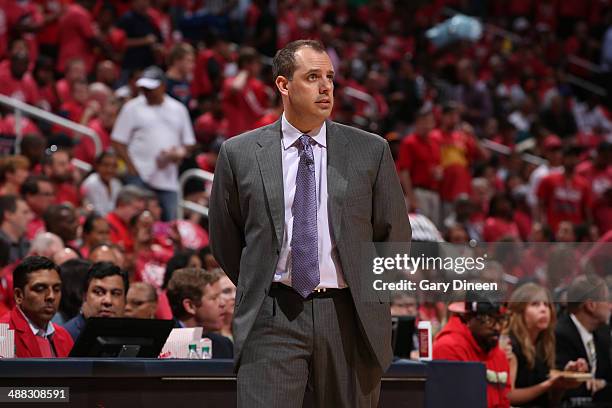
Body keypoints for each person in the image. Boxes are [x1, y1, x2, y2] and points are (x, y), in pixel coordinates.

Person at [209, 39, 411, 407]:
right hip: (271, 313)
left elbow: (394, 233)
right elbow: (225, 236)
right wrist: (258, 281)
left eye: (330, 78)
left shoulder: (371, 149)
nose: (326, 87)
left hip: (350, 314)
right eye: (313, 77)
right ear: (283, 85)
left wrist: (374, 296)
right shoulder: (238, 153)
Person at [111, 66, 196, 220]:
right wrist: (132, 167)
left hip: (168, 179)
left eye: (151, 88)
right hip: (139, 176)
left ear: (163, 86)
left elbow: (189, 143)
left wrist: (178, 153)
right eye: (144, 88)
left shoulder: (178, 109)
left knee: (169, 223)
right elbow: (118, 140)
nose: (146, 92)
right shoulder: (132, 107)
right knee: (133, 220)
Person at [505, 283, 587, 407]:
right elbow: (508, 397)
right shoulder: (509, 345)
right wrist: (548, 384)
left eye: (546, 305)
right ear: (520, 311)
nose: (543, 310)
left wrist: (565, 380)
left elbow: (551, 402)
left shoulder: (544, 344)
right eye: (535, 304)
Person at [433, 295, 511, 408]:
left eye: (501, 319)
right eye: (489, 320)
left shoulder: (499, 354)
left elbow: (504, 402)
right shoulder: (448, 347)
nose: (497, 328)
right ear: (468, 317)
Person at [0, 256, 73, 357]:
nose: (51, 296)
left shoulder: (64, 335)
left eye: (56, 289)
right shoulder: (3, 333)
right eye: (40, 288)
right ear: (18, 295)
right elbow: (6, 373)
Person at [556, 274, 612, 405]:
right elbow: (562, 387)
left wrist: (603, 384)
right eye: (607, 301)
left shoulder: (603, 334)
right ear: (591, 305)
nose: (610, 306)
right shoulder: (559, 335)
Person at [166, 268, 233, 359]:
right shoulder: (162, 344)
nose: (222, 303)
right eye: (214, 298)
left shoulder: (224, 345)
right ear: (190, 306)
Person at [63, 262, 128, 341]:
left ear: (125, 300)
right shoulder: (65, 336)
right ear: (84, 296)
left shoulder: (133, 336)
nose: (107, 301)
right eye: (99, 292)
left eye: (116, 293)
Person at [80, 151, 122, 216]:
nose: (109, 170)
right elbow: (98, 212)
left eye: (114, 166)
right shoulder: (91, 183)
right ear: (97, 166)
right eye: (106, 165)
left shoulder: (117, 183)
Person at [0, 195, 34, 264]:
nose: (31, 217)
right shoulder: (1, 245)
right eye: (25, 212)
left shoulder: (27, 244)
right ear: (8, 215)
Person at [21, 175, 55, 240]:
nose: (52, 198)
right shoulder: (20, 220)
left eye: (52, 194)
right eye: (47, 194)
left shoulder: (49, 218)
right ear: (30, 196)